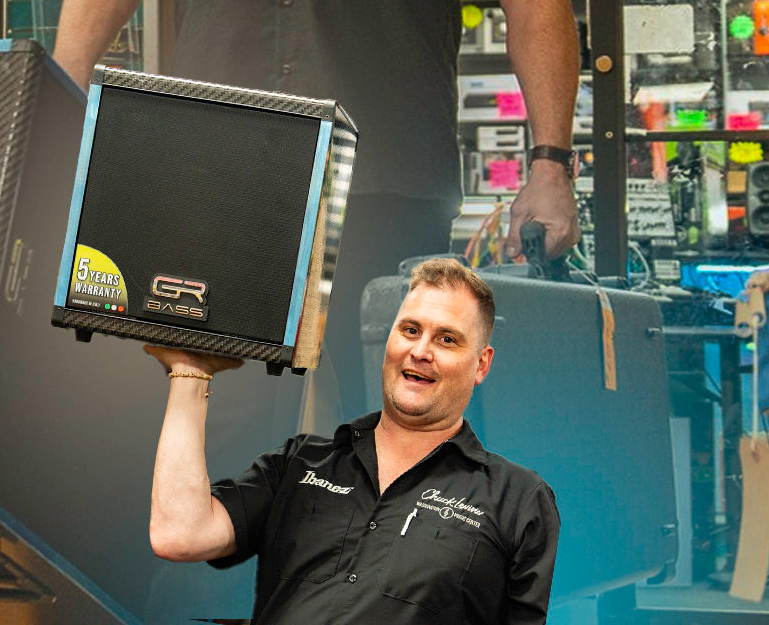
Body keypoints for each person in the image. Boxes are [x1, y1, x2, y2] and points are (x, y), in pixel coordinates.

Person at [53, 0, 582, 420]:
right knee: (211, 419)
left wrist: (551, 164)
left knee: (388, 424)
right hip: (217, 157)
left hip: (383, 172)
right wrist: (51, 108)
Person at [144, 258, 560, 623]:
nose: (420, 350)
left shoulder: (517, 500)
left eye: (446, 339)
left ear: (481, 364)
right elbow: (179, 535)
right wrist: (190, 370)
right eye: (410, 330)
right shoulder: (299, 463)